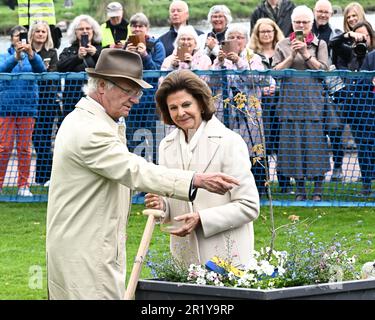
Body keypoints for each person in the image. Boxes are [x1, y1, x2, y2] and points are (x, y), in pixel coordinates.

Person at [46, 49, 240, 300]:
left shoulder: (96, 121)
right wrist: (195, 179)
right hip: (84, 254)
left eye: (137, 92)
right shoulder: (89, 129)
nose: (135, 99)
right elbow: (133, 169)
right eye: (128, 90)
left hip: (89, 249)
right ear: (102, 86)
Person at [145, 69, 259, 267]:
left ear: (200, 102)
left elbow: (249, 206)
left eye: (186, 104)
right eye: (173, 107)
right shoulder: (166, 145)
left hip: (227, 257)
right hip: (184, 260)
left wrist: (202, 219)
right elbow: (173, 198)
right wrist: (162, 205)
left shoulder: (230, 142)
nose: (180, 113)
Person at [273, 5, 330, 201]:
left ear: (311, 24)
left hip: (314, 104)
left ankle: (318, 189)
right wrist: (292, 56)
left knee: (316, 146)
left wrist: (306, 54)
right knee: (293, 147)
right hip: (290, 105)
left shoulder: (320, 44)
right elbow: (275, 73)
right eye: (298, 22)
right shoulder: (282, 44)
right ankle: (300, 189)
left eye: (305, 22)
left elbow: (323, 71)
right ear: (292, 23)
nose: (301, 25)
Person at [211, 24, 267, 197]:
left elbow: (259, 79)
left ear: (246, 39)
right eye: (232, 37)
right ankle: (228, 188)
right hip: (225, 113)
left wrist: (238, 62)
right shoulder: (220, 60)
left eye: (239, 37)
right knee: (227, 150)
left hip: (250, 115)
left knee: (253, 149)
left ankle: (259, 189)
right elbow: (208, 83)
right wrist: (219, 63)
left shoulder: (253, 58)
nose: (236, 41)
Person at [0, 25, 46, 197]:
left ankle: (24, 185)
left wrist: (31, 54)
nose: (20, 39)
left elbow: (42, 70)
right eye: (16, 36)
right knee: (4, 148)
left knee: (25, 149)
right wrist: (16, 57)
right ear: (11, 38)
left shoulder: (34, 57)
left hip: (27, 108)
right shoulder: (4, 55)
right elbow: (1, 69)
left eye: (23, 36)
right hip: (6, 108)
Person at [249, 18, 292, 194]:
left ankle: (285, 184)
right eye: (262, 32)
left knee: (282, 141)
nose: (266, 34)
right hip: (261, 103)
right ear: (257, 34)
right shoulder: (251, 54)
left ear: (275, 32)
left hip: (281, 100)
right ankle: (262, 185)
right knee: (261, 142)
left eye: (269, 31)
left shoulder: (282, 50)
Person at [125, 12, 166, 164]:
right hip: (131, 101)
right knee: (133, 141)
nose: (137, 29)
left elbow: (157, 71)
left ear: (147, 28)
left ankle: (158, 173)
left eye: (140, 26)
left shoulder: (156, 45)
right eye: (134, 26)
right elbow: (121, 71)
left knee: (156, 140)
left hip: (151, 102)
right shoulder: (126, 46)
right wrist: (127, 54)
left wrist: (144, 55)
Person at [312, 0, 345, 182]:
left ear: (331, 14)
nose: (322, 14)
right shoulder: (306, 33)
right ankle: (318, 170)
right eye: (319, 11)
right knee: (316, 132)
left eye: (326, 12)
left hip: (333, 89)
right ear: (314, 12)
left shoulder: (335, 34)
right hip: (312, 90)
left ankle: (338, 167)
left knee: (336, 130)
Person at [28, 20, 59, 187]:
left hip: (47, 101)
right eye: (37, 31)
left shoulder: (52, 53)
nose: (40, 34)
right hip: (29, 100)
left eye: (43, 32)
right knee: (35, 138)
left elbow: (52, 73)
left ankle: (44, 177)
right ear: (32, 34)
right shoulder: (26, 52)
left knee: (44, 139)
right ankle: (40, 176)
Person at [57, 14, 102, 125]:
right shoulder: (68, 51)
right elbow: (60, 67)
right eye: (81, 29)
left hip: (97, 100)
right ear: (75, 32)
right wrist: (77, 57)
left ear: (93, 31)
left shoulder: (101, 50)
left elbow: (110, 67)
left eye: (88, 28)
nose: (85, 31)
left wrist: (95, 54)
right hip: (73, 100)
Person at [357, 50, 375, 196]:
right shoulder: (371, 56)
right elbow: (361, 81)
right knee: (365, 147)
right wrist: (371, 80)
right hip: (369, 109)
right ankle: (366, 184)